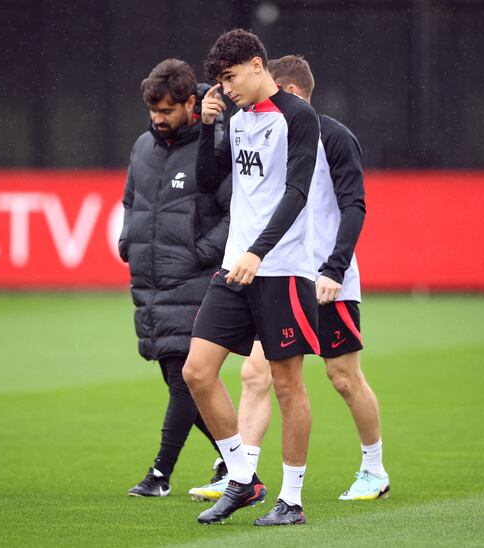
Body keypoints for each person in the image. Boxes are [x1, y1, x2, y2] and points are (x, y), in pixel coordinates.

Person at [188, 55, 389, 503]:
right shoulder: (255, 127)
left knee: (342, 376)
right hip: (274, 272)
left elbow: (354, 206)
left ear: (291, 92)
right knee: (255, 374)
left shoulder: (333, 136)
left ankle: (374, 468)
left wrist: (335, 268)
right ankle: (243, 475)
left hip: (326, 275)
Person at [183, 30, 320, 526]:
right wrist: (206, 128)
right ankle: (243, 480)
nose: (226, 88)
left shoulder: (298, 117)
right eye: (219, 80)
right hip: (235, 268)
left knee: (287, 386)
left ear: (258, 65)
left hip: (281, 269)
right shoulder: (239, 118)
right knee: (197, 371)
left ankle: (292, 499)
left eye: (230, 77)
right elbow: (207, 182)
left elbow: (298, 192)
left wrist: (259, 252)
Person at [118, 59, 232, 497]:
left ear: (190, 103)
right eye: (153, 111)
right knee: (177, 378)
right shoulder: (142, 147)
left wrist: (201, 253)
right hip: (149, 277)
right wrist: (128, 238)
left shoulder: (213, 144)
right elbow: (131, 199)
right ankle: (233, 458)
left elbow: (234, 210)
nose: (157, 120)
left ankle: (160, 474)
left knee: (187, 376)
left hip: (194, 279)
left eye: (166, 111)